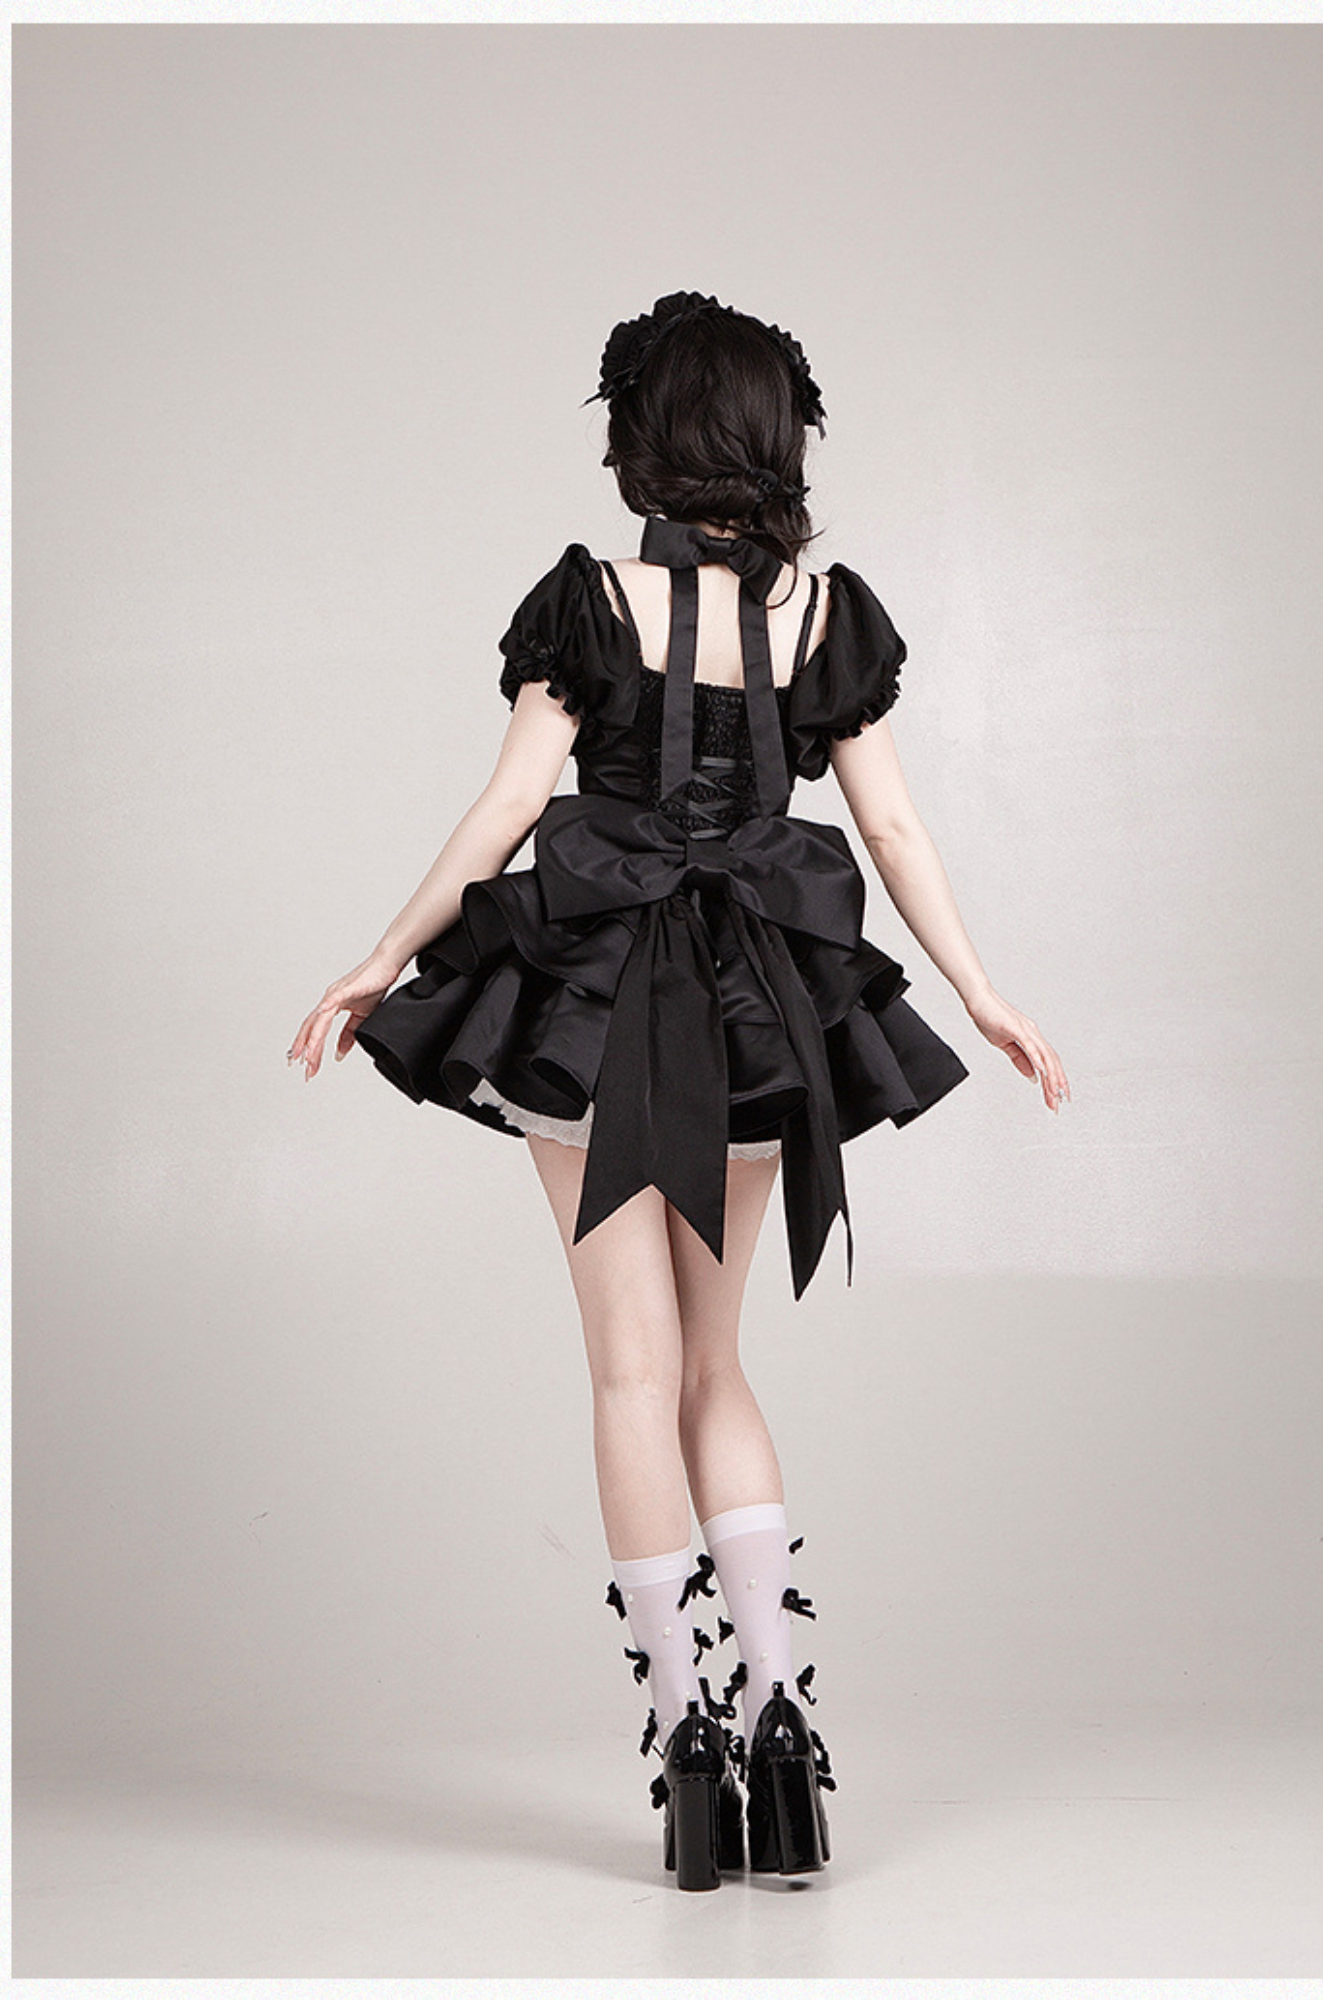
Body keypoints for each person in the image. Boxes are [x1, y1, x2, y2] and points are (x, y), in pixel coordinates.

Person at [288, 292, 1070, 1891]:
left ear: (640, 438)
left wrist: (381, 954)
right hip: (754, 1007)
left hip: (593, 1003)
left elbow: (510, 807)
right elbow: (894, 831)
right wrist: (982, 990)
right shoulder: (823, 612)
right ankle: (784, 1727)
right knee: (719, 1367)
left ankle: (689, 1741)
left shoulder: (591, 602)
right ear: (778, 437)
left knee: (630, 1378)